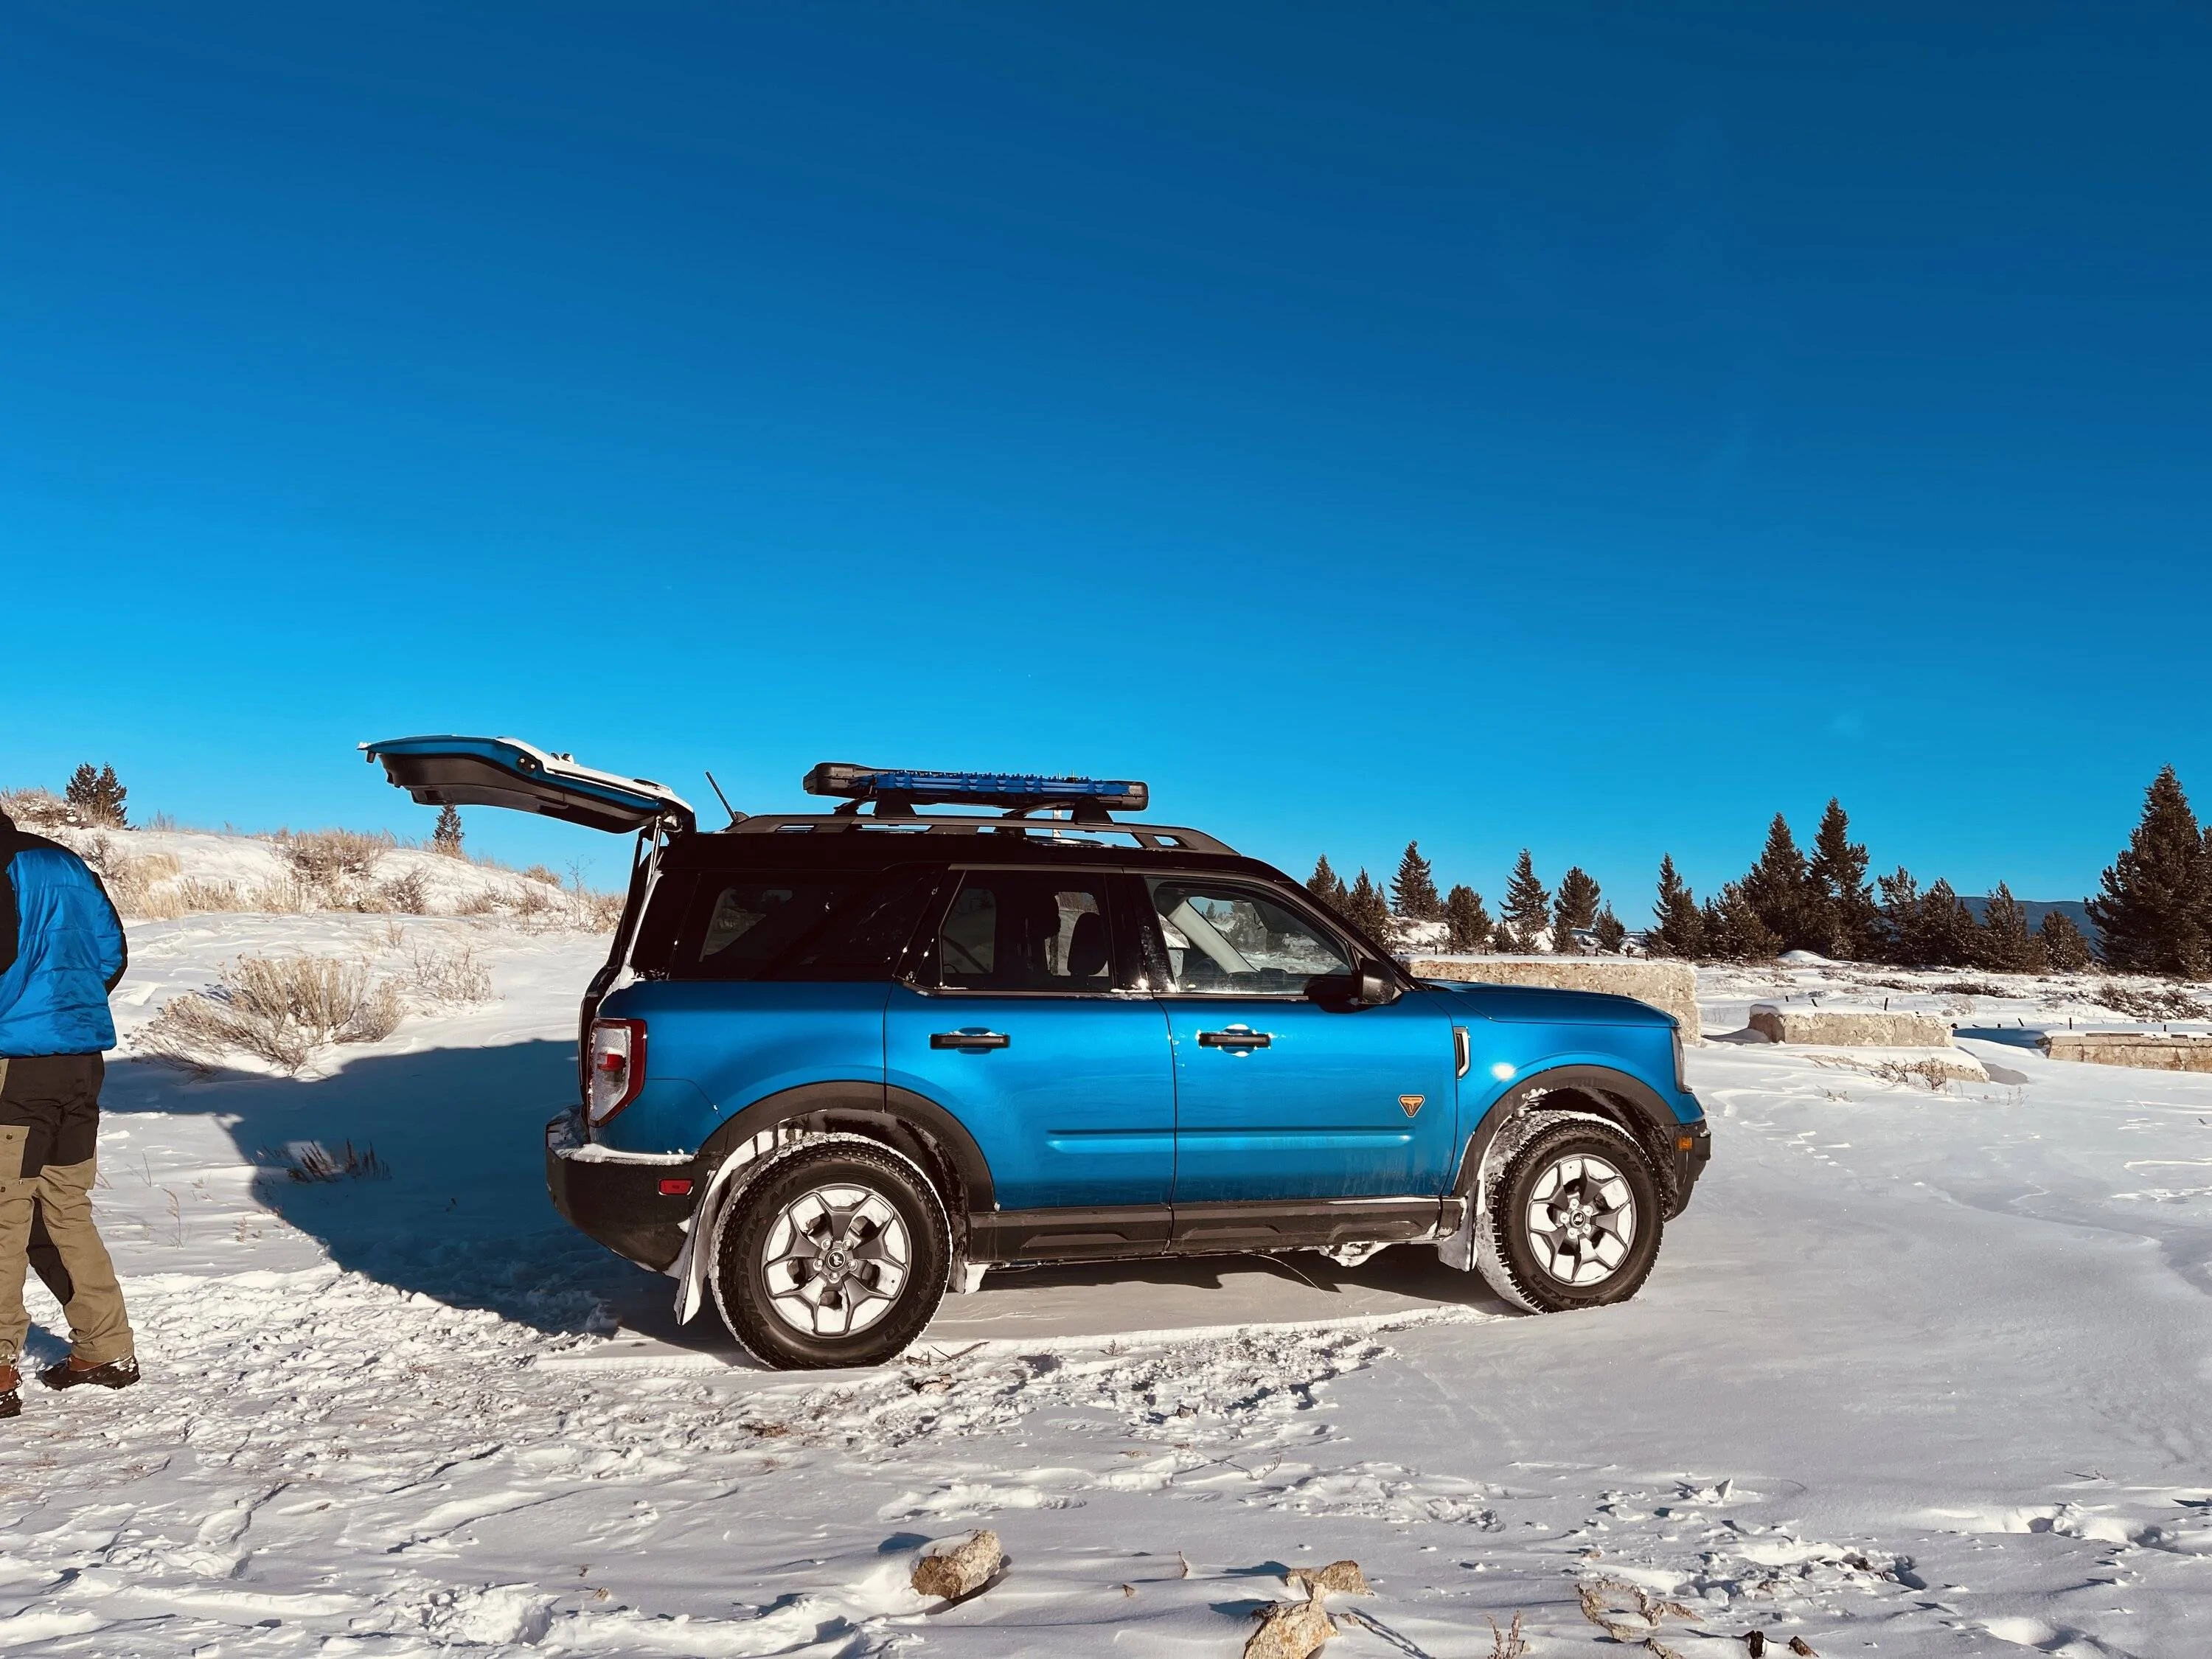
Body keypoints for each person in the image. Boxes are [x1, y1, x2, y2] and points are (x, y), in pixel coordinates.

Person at [0, 806, 137, 1416]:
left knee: (4, 1215)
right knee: (63, 1206)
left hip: (15, 1065)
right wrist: (61, 1010)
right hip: (80, 1061)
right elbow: (112, 957)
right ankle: (105, 1348)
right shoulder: (66, 862)